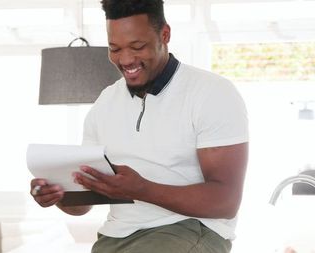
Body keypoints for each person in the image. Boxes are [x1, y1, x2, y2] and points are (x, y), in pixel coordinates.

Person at [30, 0, 249, 252]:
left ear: (164, 35)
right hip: (116, 235)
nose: (125, 60)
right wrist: (58, 195)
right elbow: (84, 203)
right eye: (115, 48)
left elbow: (226, 201)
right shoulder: (105, 102)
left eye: (137, 46)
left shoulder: (211, 93)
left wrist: (142, 189)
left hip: (189, 229)